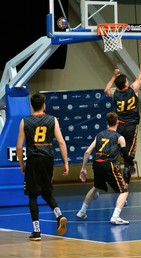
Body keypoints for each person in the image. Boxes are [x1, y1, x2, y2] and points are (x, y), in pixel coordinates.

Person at [16, 93, 69, 241]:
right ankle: (60, 215)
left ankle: (37, 231)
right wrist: (65, 162)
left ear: (32, 105)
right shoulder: (52, 120)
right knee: (47, 192)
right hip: (48, 160)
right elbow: (61, 142)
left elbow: (19, 147)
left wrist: (21, 164)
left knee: (33, 196)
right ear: (44, 104)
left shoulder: (24, 121)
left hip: (33, 160)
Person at [104, 41, 141, 185]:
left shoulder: (115, 94)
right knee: (129, 154)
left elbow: (106, 90)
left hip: (119, 126)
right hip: (131, 126)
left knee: (118, 152)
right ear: (127, 84)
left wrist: (113, 76)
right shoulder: (133, 89)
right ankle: (126, 181)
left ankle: (117, 176)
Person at [77, 112, 132, 225]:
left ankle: (82, 211)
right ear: (117, 122)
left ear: (107, 122)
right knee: (124, 191)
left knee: (96, 187)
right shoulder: (119, 137)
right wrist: (132, 165)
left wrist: (83, 168)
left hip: (96, 163)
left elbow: (87, 152)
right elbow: (126, 155)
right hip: (108, 164)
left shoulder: (99, 135)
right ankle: (115, 216)